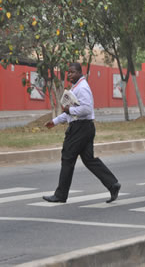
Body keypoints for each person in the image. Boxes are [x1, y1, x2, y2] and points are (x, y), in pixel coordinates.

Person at [42, 63, 121, 203]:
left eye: (72, 72)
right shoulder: (76, 88)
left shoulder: (82, 87)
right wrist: (55, 121)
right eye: (68, 72)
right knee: (89, 159)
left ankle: (60, 195)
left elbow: (87, 109)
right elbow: (72, 113)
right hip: (84, 127)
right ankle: (112, 184)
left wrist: (69, 110)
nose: (69, 75)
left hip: (81, 128)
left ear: (79, 72)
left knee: (67, 157)